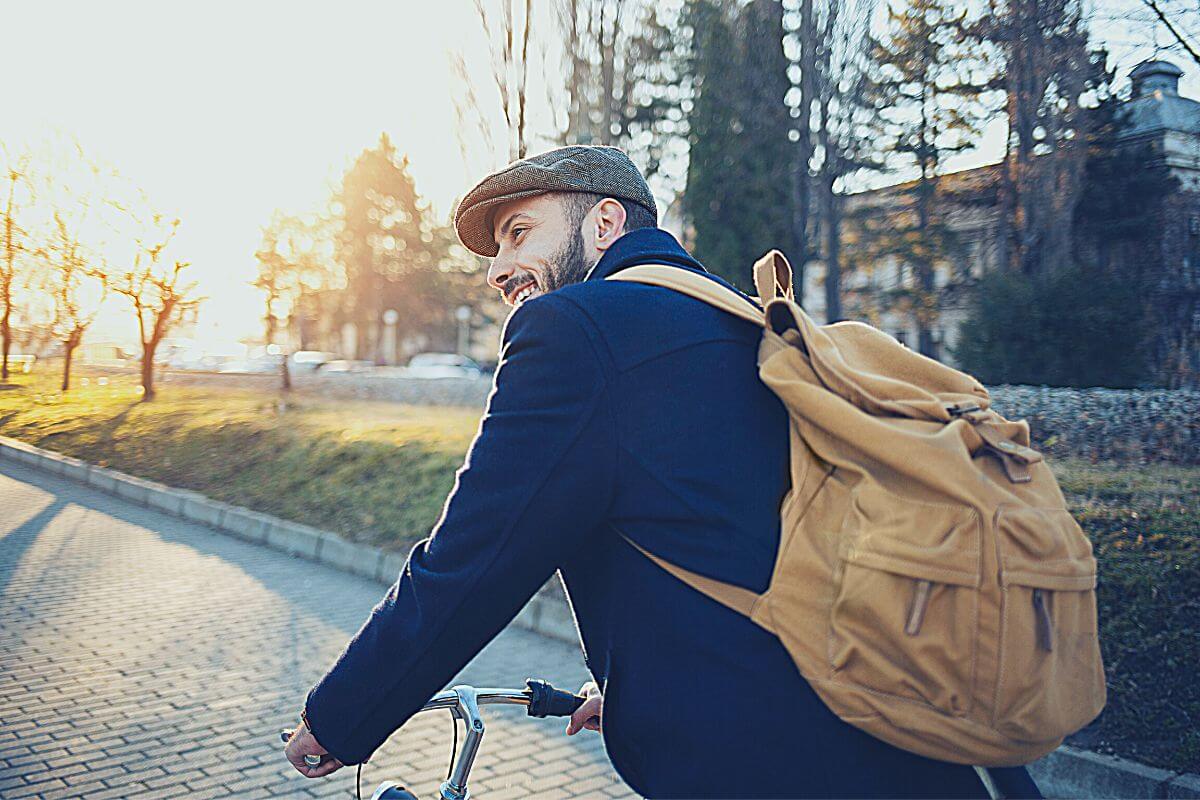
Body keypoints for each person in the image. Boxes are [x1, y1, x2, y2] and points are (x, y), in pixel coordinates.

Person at [284, 145, 1043, 799]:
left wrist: (342, 715)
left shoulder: (574, 332)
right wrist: (647, 690)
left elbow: (476, 559)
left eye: (519, 234)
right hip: (910, 734)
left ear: (605, 223)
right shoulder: (741, 321)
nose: (501, 270)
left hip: (779, 766)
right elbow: (734, 533)